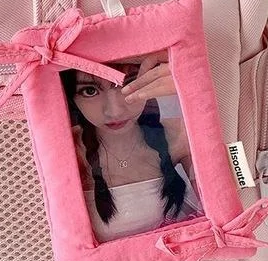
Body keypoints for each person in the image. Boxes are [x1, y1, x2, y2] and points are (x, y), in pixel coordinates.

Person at [61, 57, 202, 243]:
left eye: (130, 83)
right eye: (90, 91)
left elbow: (229, 194)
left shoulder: (177, 134)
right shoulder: (65, 150)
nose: (115, 111)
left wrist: (186, 80)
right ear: (71, 98)